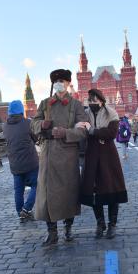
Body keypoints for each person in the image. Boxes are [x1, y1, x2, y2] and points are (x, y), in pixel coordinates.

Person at [31, 69, 89, 246]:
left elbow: (83, 130)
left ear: (68, 83)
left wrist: (65, 132)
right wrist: (41, 124)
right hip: (48, 155)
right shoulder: (45, 103)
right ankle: (52, 232)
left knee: (68, 194)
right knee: (47, 194)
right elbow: (33, 124)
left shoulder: (76, 105)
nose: (59, 84)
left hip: (67, 156)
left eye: (63, 81)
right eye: (56, 81)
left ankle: (68, 229)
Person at [79, 89, 128, 239]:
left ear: (101, 100)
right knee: (94, 191)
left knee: (112, 188)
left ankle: (112, 224)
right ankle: (100, 223)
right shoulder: (85, 114)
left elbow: (111, 133)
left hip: (108, 155)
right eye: (89, 100)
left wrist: (92, 131)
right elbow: (81, 131)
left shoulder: (110, 113)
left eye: (94, 100)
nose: (91, 103)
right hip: (92, 154)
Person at [3, 100, 40, 222]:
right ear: (21, 110)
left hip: (15, 164)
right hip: (30, 162)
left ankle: (20, 212)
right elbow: (35, 138)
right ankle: (27, 208)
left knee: (19, 189)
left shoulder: (5, 126)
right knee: (37, 185)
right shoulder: (27, 123)